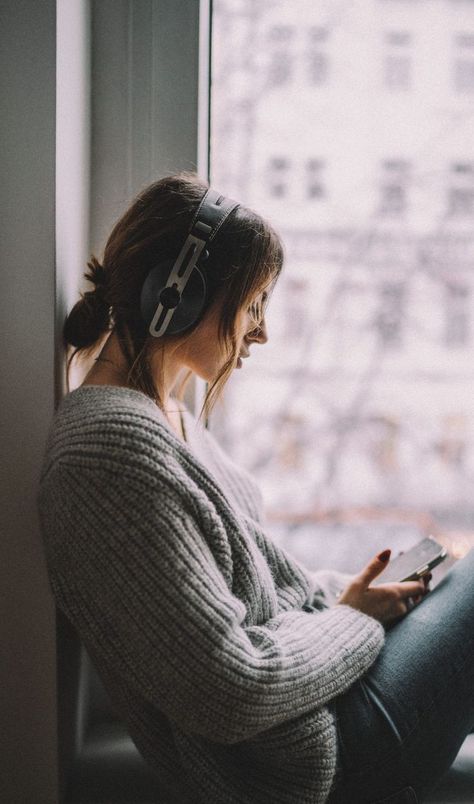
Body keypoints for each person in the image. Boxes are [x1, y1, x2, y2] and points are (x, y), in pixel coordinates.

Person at [37, 172, 474, 804]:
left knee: (450, 569)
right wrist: (353, 618)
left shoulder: (168, 416)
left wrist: (351, 595)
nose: (261, 331)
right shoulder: (107, 456)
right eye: (253, 302)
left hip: (324, 696)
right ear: (176, 295)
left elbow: (264, 594)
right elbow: (232, 693)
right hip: (318, 755)